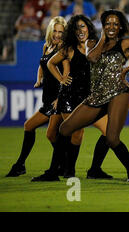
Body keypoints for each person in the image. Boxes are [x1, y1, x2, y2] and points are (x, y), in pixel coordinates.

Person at [51, 11, 129, 182]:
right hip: (97, 95)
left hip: (119, 92)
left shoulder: (126, 43)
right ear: (102, 26)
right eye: (107, 23)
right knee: (65, 129)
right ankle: (54, 172)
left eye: (115, 24)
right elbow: (92, 57)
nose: (111, 27)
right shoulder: (92, 43)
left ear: (120, 26)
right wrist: (103, 37)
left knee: (112, 138)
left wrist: (127, 69)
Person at [31, 15, 111, 181]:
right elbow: (50, 63)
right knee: (73, 132)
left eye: (83, 27)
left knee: (109, 130)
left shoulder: (94, 45)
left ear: (88, 28)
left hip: (89, 98)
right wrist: (61, 79)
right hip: (70, 96)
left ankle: (94, 169)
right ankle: (65, 171)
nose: (80, 31)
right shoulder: (69, 48)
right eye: (76, 28)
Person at [6, 17, 67, 177]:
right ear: (50, 30)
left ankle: (23, 165)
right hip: (47, 99)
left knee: (50, 134)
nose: (58, 35)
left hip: (57, 99)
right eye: (55, 31)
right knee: (29, 126)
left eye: (61, 32)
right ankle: (61, 163)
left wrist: (59, 99)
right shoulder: (46, 46)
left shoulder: (64, 50)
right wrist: (38, 79)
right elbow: (42, 65)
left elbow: (67, 76)